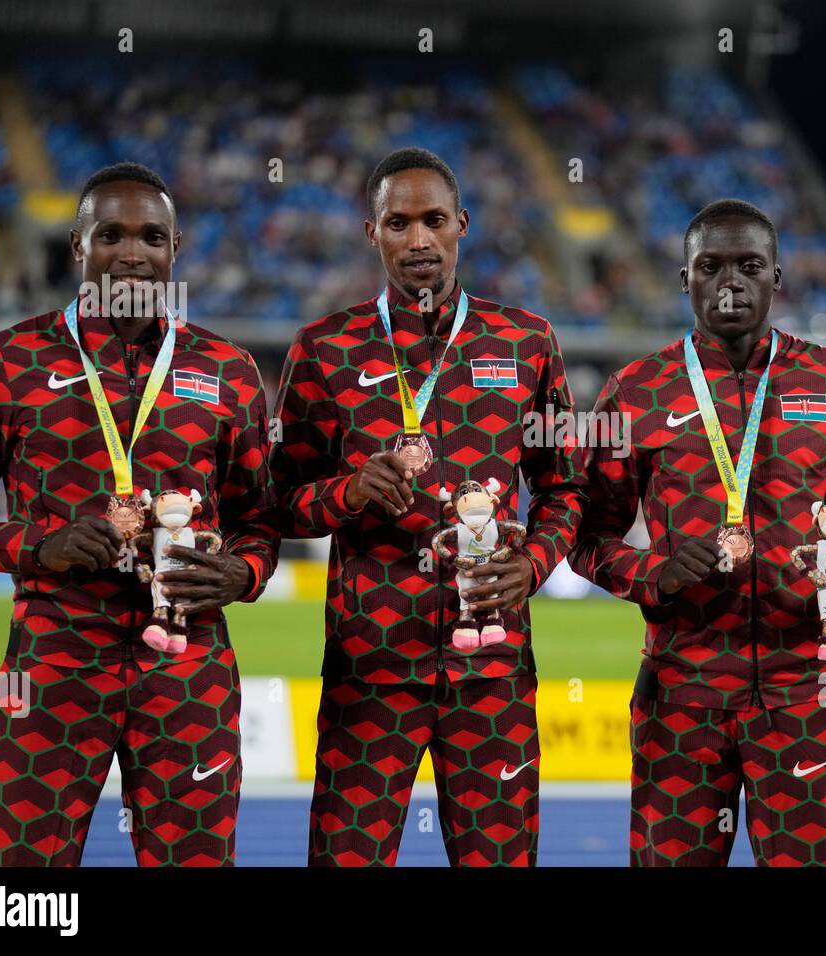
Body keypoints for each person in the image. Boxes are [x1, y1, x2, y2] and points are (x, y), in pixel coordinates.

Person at [0, 161, 279, 866]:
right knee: (25, 890)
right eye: (110, 233)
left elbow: (260, 522)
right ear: (77, 245)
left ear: (175, 250)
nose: (131, 252)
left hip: (190, 668)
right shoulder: (6, 362)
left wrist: (240, 572)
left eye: (151, 236)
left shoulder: (228, 370)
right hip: (54, 663)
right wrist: (38, 546)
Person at [570, 199, 826, 866]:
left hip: (807, 688)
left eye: (749, 265)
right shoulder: (635, 392)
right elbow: (587, 537)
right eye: (710, 266)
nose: (730, 281)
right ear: (684, 279)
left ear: (777, 277)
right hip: (679, 694)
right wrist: (653, 573)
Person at [271, 147, 583, 866]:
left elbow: (565, 490)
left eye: (433, 220)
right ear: (370, 232)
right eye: (398, 222)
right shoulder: (324, 350)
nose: (418, 240)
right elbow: (276, 505)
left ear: (462, 224)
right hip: (369, 671)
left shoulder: (527, 341)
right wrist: (347, 493)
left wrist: (532, 564)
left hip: (493, 674)